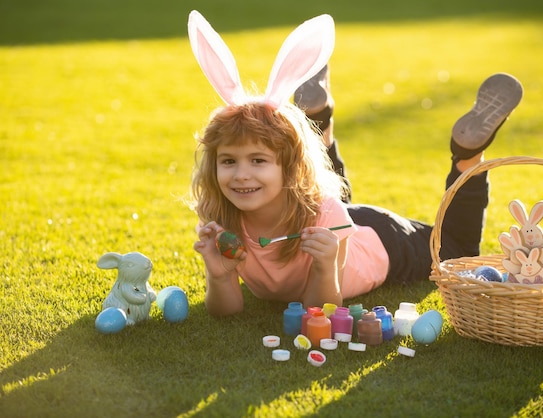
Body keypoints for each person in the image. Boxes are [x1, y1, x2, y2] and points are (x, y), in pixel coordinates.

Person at [187, 11, 523, 316]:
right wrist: (220, 274)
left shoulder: (326, 213)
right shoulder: (222, 217)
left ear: (287, 167)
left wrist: (325, 265)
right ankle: (318, 118)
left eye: (257, 160)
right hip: (334, 216)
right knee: (329, 204)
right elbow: (226, 312)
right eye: (228, 161)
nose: (241, 175)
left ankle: (467, 154)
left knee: (457, 252)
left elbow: (320, 309)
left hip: (382, 240)